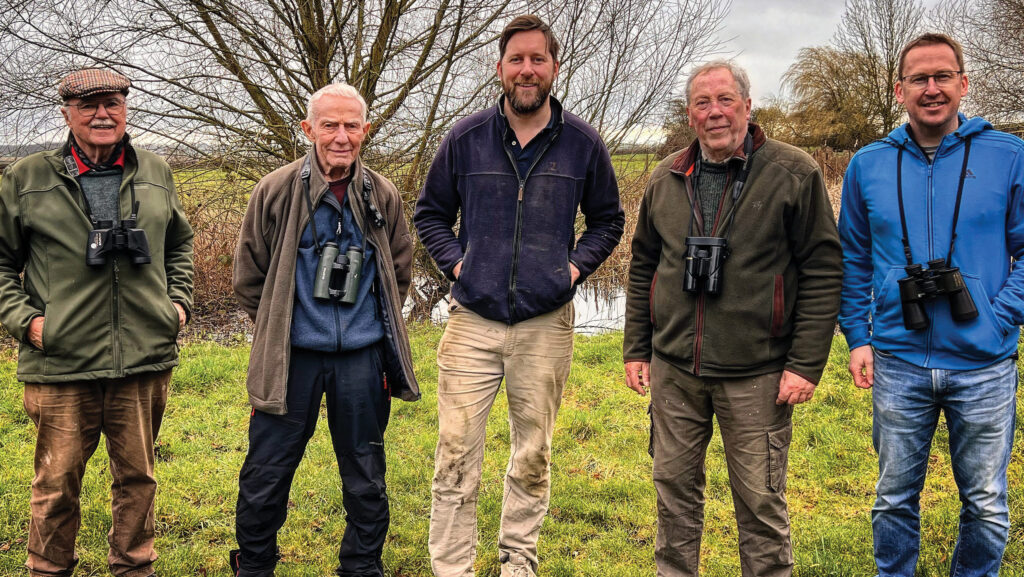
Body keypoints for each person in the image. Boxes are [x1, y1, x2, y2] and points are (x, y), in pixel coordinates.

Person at [414, 14, 624, 577]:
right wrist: (460, 265)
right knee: (456, 453)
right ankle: (452, 567)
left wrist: (572, 271)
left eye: (537, 59)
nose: (526, 69)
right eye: (516, 59)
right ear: (500, 68)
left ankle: (517, 562)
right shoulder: (464, 137)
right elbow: (430, 213)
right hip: (472, 321)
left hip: (545, 324)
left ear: (554, 67)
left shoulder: (582, 143)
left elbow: (608, 220)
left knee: (533, 453)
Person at [623, 60, 842, 577]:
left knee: (761, 510)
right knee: (674, 503)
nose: (714, 112)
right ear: (689, 114)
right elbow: (643, 266)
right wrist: (636, 347)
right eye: (702, 103)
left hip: (758, 374)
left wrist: (805, 363)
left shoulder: (793, 172)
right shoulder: (666, 176)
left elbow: (823, 268)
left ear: (747, 105)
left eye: (725, 100)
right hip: (675, 371)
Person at [839, 33, 1023, 577]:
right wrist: (859, 335)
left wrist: (1002, 313)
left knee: (987, 505)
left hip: (985, 363)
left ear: (964, 83)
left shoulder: (1009, 156)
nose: (932, 88)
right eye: (919, 78)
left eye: (943, 76)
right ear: (900, 90)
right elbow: (852, 257)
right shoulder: (867, 164)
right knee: (893, 498)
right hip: (898, 359)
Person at [0, 68, 194, 577]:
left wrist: (177, 306)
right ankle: (47, 570)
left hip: (144, 358)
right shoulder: (28, 177)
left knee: (138, 479)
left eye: (112, 102)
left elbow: (179, 244)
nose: (102, 114)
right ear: (66, 112)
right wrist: (29, 323)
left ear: (126, 107)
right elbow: (0, 261)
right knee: (56, 482)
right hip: (61, 361)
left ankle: (133, 568)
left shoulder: (155, 170)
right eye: (88, 105)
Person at [229, 82, 419, 577]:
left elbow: (398, 273)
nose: (340, 136)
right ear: (307, 129)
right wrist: (281, 328)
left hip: (362, 360)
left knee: (366, 476)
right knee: (266, 473)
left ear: (366, 130)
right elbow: (249, 278)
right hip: (292, 359)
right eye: (329, 125)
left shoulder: (383, 194)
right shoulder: (273, 190)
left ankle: (361, 567)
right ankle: (254, 566)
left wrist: (365, 333)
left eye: (351, 125)